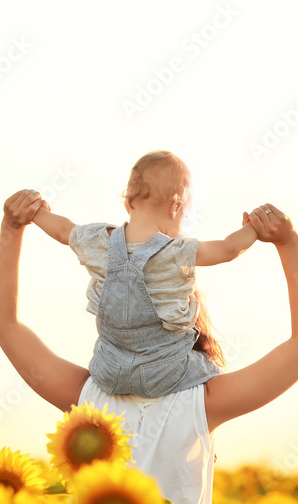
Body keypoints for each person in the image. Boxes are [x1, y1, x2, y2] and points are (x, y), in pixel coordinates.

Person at [0, 189, 298, 504]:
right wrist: (286, 243)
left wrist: (13, 229)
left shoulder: (87, 397)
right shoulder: (205, 402)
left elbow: (4, 325)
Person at [30, 150, 258, 398]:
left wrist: (36, 213)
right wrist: (255, 228)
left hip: (108, 372)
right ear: (176, 207)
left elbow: (64, 230)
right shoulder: (178, 251)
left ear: (128, 204)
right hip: (167, 372)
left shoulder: (97, 241)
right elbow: (228, 249)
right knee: (211, 368)